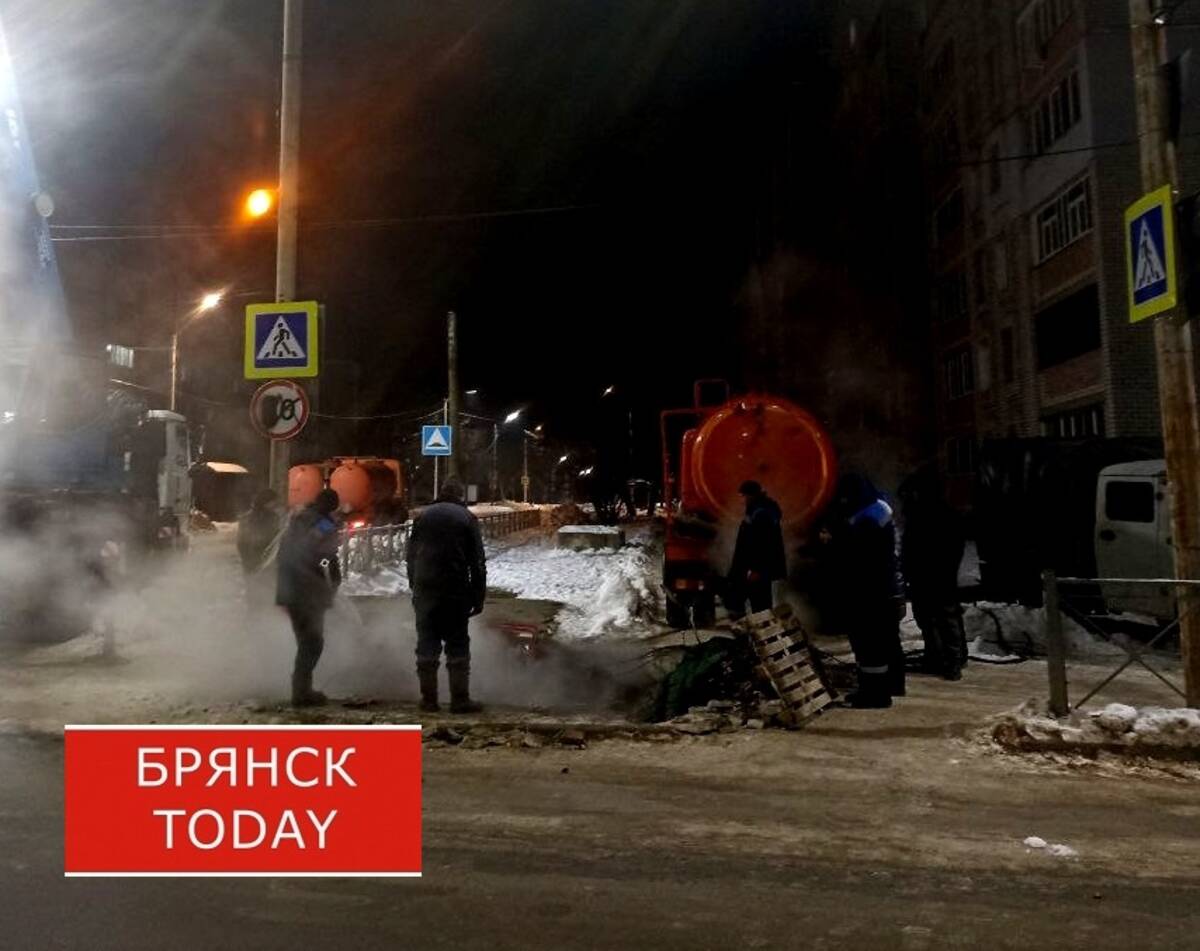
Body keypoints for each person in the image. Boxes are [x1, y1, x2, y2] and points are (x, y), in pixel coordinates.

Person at [824, 473, 906, 708]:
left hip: (870, 591)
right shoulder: (878, 509)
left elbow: (858, 554)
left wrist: (833, 540)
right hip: (883, 587)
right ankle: (888, 685)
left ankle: (875, 695)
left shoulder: (867, 519)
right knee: (884, 641)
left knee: (869, 643)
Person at [406, 478, 487, 714]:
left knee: (427, 643)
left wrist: (415, 585)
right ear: (460, 496)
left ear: (441, 493)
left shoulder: (422, 517)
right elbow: (477, 562)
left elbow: (410, 556)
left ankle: (428, 700)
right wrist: (478, 596)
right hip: (455, 589)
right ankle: (459, 700)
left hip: (425, 589)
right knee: (457, 643)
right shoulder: (467, 518)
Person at [899, 466, 967, 680]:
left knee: (942, 619)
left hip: (934, 575)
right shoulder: (941, 514)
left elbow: (914, 548)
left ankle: (951, 661)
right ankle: (942, 657)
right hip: (934, 575)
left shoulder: (929, 516)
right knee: (934, 619)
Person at [276, 488, 342, 706]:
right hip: (309, 590)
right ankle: (301, 691)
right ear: (331, 506)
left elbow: (284, 554)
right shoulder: (324, 525)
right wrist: (330, 575)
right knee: (313, 641)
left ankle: (302, 688)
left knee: (304, 640)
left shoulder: (295, 521)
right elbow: (324, 556)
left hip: (289, 588)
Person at [725, 480, 786, 617]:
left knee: (759, 605)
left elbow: (763, 544)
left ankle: (761, 627)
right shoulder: (758, 510)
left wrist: (756, 569)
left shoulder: (761, 513)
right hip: (751, 568)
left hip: (756, 570)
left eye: (742, 496)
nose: (741, 500)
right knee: (755, 603)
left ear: (750, 495)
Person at [237, 489, 282, 610]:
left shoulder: (246, 518)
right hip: (265, 563)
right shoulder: (272, 518)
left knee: (254, 597)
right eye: (274, 502)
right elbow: (275, 540)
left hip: (251, 563)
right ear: (267, 502)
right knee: (266, 596)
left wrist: (246, 560)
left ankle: (254, 617)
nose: (276, 505)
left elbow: (240, 543)